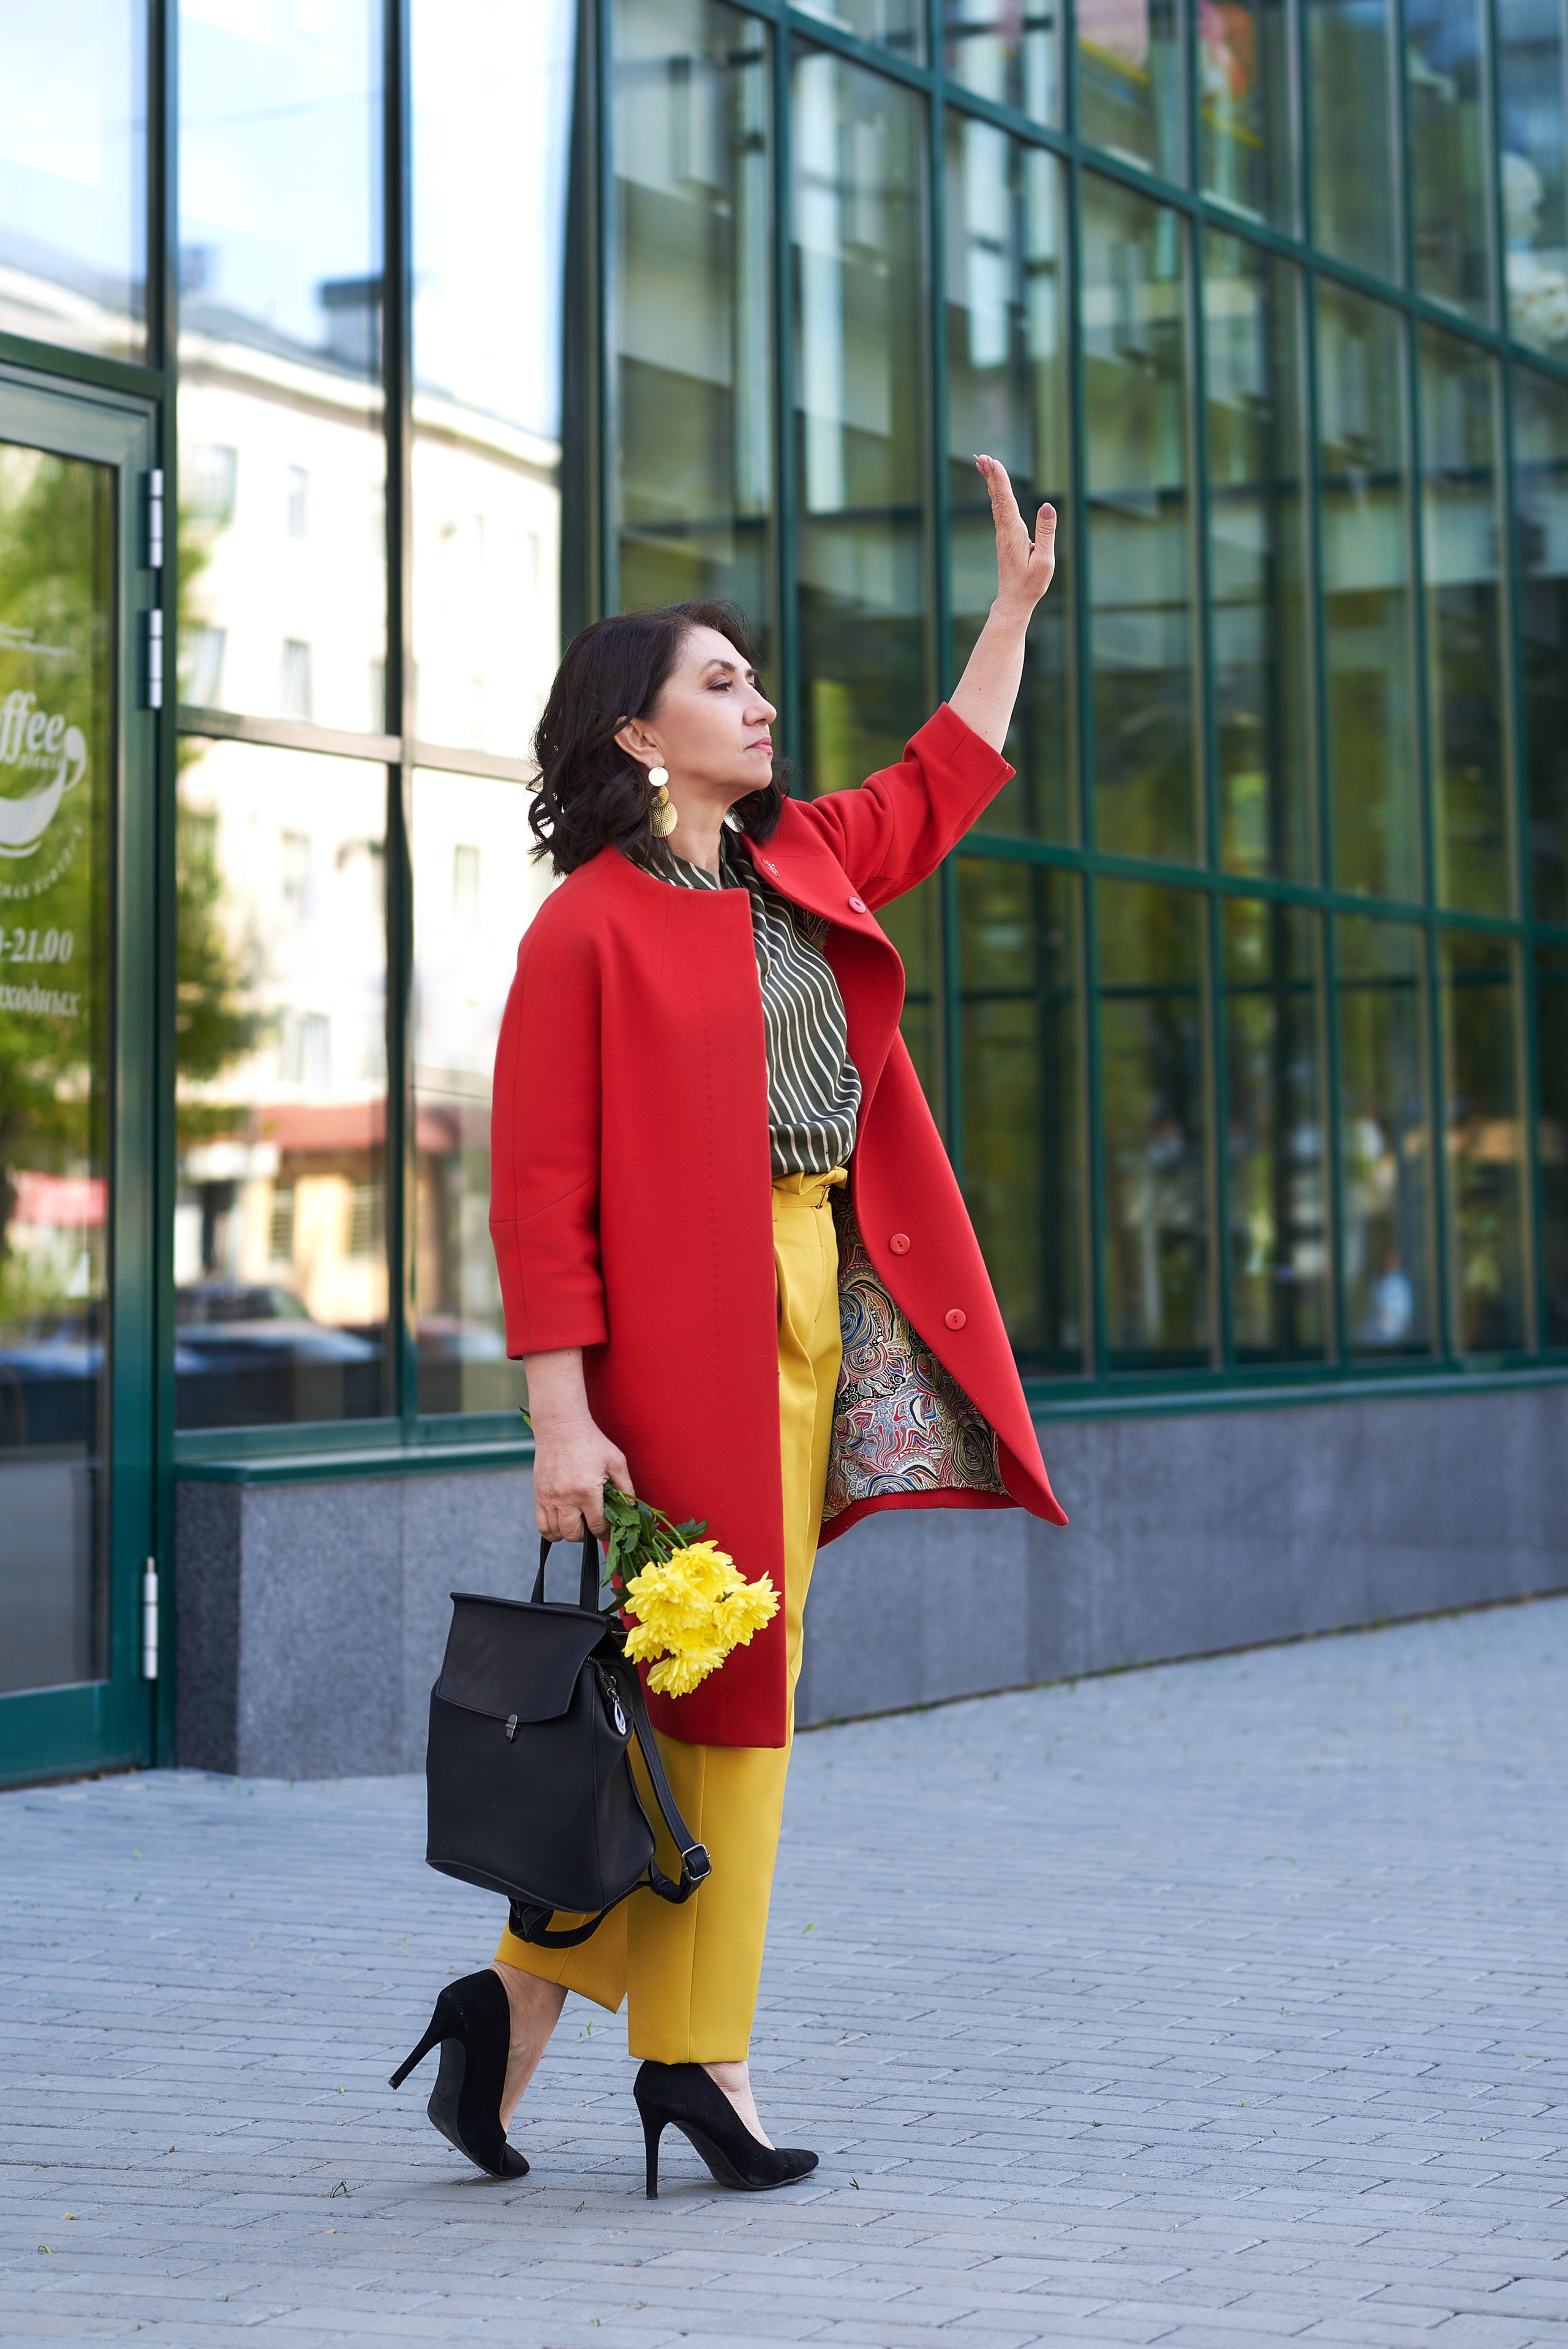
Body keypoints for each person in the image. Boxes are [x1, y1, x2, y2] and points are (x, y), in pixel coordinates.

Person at [394, 456, 1068, 2195]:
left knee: (698, 1692)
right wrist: (562, 1416)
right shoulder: (584, 933)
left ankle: (513, 2016)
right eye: (721, 682)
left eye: (754, 681)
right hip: (670, 1340)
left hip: (814, 1297)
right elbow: (537, 1192)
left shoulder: (797, 860)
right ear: (637, 734)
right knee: (727, 1693)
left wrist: (1008, 615)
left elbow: (941, 783)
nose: (758, 702)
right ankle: (701, 2063)